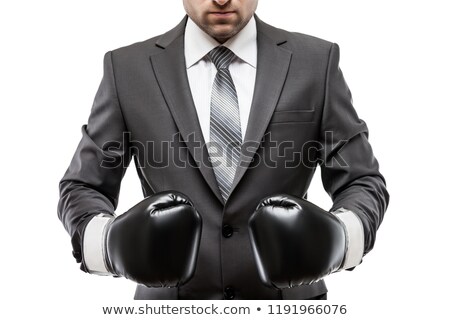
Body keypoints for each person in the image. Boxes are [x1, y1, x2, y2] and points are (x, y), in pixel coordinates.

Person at [58, 0, 389, 300]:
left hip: (290, 305)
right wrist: (109, 244)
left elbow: (362, 180)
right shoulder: (127, 69)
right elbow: (83, 185)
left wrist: (339, 240)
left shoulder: (316, 62)